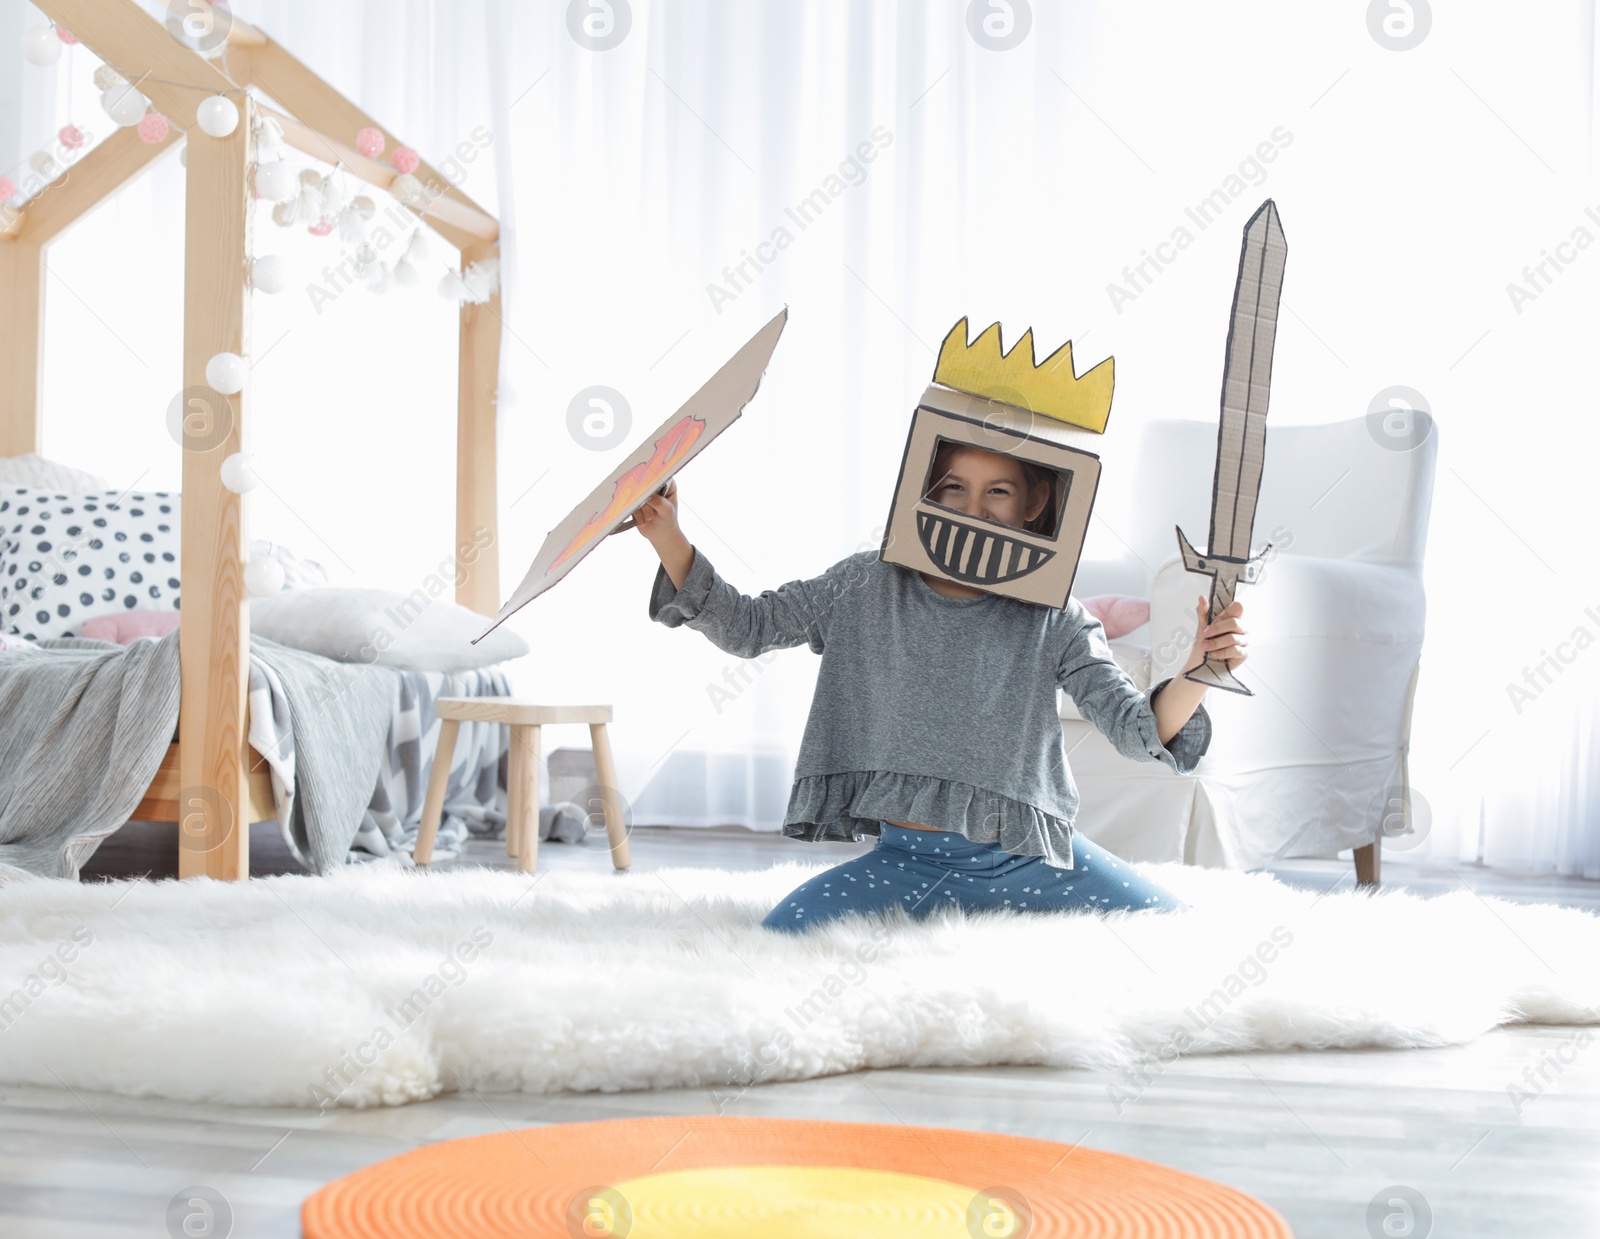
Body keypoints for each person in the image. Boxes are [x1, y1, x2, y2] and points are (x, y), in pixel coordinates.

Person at [634, 441, 1247, 933]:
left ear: (1033, 504)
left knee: (1175, 935)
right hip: (908, 863)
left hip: (1029, 863)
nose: (973, 508)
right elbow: (749, 627)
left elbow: (1135, 727)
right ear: (928, 494)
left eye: (998, 491)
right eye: (955, 487)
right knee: (780, 938)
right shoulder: (865, 584)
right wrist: (667, 534)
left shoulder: (1056, 618)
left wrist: (1197, 671)